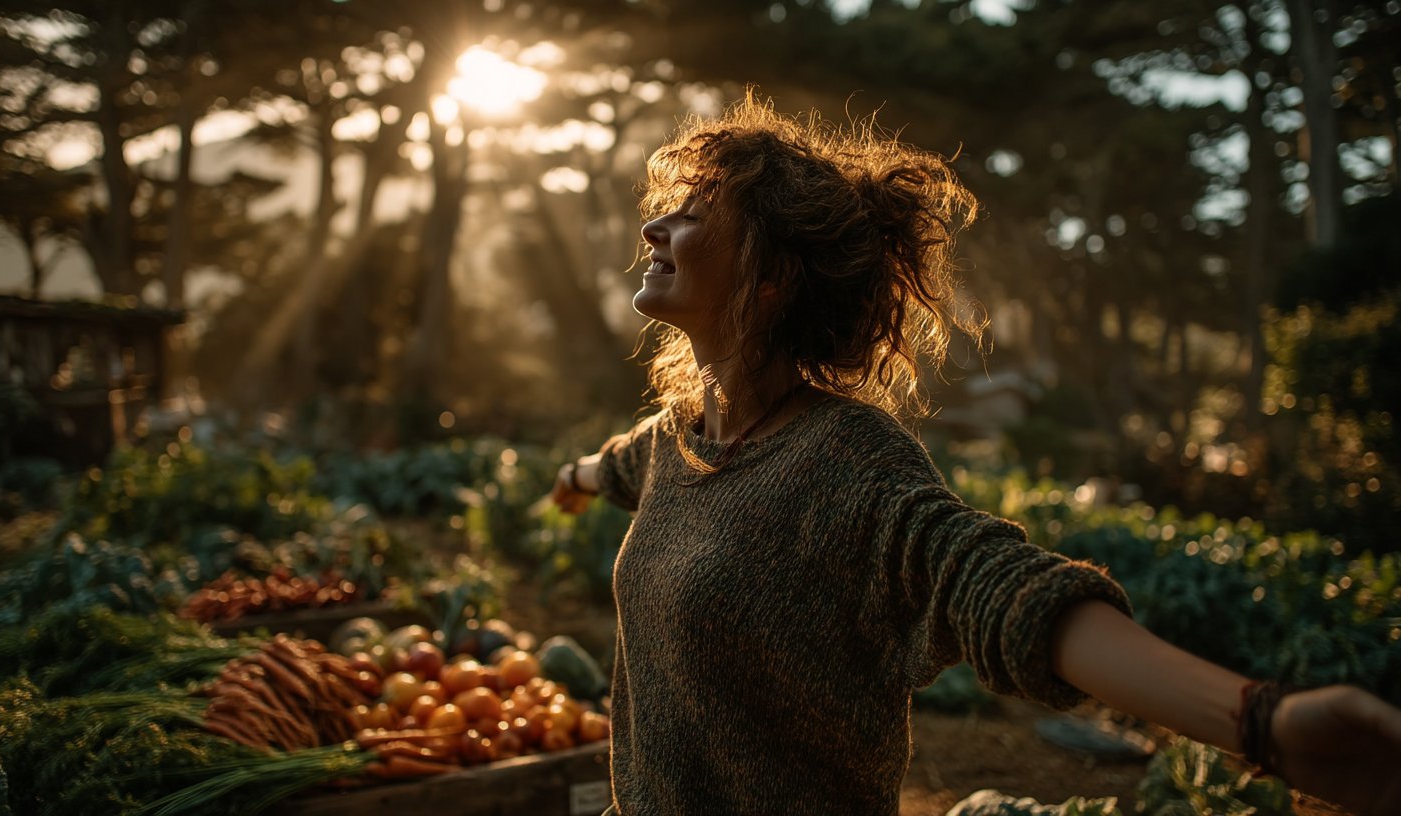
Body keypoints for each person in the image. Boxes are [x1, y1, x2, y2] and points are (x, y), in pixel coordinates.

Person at [548, 94, 1401, 816]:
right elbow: (619, 465)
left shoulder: (845, 460)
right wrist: (576, 481)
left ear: (771, 279)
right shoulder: (677, 438)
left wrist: (1260, 723)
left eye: (693, 215)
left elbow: (1004, 591)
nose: (655, 226)